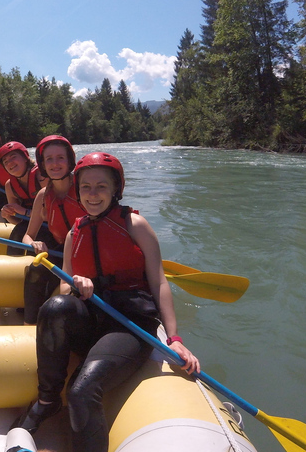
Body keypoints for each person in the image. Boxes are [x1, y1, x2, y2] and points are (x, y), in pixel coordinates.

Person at [13, 152, 201, 452]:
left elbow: (159, 282)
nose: (93, 194)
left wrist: (175, 338)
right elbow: (64, 287)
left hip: (128, 324)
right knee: (54, 307)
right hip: (92, 319)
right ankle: (47, 399)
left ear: (115, 189)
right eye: (86, 187)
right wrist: (75, 286)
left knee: (81, 392)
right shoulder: (76, 232)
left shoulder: (134, 224)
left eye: (101, 186)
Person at [20, 135, 86, 325]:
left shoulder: (84, 188)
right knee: (36, 269)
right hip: (58, 250)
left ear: (69, 161)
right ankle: (29, 324)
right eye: (49, 159)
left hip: (86, 252)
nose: (55, 164)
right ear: (42, 164)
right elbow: (28, 235)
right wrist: (34, 244)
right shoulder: (43, 195)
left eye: (60, 158)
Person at [0, 141, 49, 256]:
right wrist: (8, 216)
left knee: (35, 235)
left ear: (25, 158)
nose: (10, 163)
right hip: (30, 226)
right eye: (5, 162)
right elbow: (18, 221)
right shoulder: (10, 186)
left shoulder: (42, 177)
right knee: (18, 231)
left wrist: (25, 212)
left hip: (49, 226)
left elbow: (54, 215)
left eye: (13, 157)